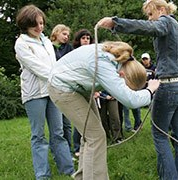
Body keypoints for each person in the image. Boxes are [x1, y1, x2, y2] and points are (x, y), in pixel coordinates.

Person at [97, 1, 178, 179]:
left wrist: (116, 23)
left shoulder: (165, 22)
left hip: (170, 86)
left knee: (160, 134)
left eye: (150, 14)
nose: (149, 19)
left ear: (162, 10)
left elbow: (147, 28)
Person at [48, 41, 160, 180]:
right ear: (122, 75)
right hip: (62, 88)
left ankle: (83, 177)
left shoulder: (119, 59)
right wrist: (150, 90)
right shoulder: (105, 64)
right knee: (96, 136)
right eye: (128, 87)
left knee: (90, 136)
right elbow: (131, 101)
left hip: (76, 86)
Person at [14, 5, 74, 179]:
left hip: (52, 91)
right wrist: (60, 78)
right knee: (38, 136)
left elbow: (54, 65)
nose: (39, 27)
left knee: (58, 132)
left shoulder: (46, 41)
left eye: (41, 23)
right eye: (35, 24)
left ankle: (68, 169)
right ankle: (43, 175)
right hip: (34, 95)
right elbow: (38, 68)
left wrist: (61, 78)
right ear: (25, 24)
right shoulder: (22, 43)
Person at [50, 24, 73, 152]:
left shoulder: (68, 48)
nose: (66, 37)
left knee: (67, 123)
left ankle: (68, 150)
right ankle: (56, 150)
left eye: (68, 35)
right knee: (56, 126)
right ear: (56, 33)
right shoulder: (48, 47)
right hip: (53, 87)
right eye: (64, 34)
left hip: (66, 87)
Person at [72, 28, 94, 157]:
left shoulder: (92, 53)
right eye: (83, 38)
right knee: (79, 119)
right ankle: (77, 147)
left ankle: (87, 145)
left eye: (88, 38)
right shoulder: (75, 53)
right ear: (79, 40)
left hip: (89, 88)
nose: (86, 40)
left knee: (89, 118)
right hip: (77, 88)